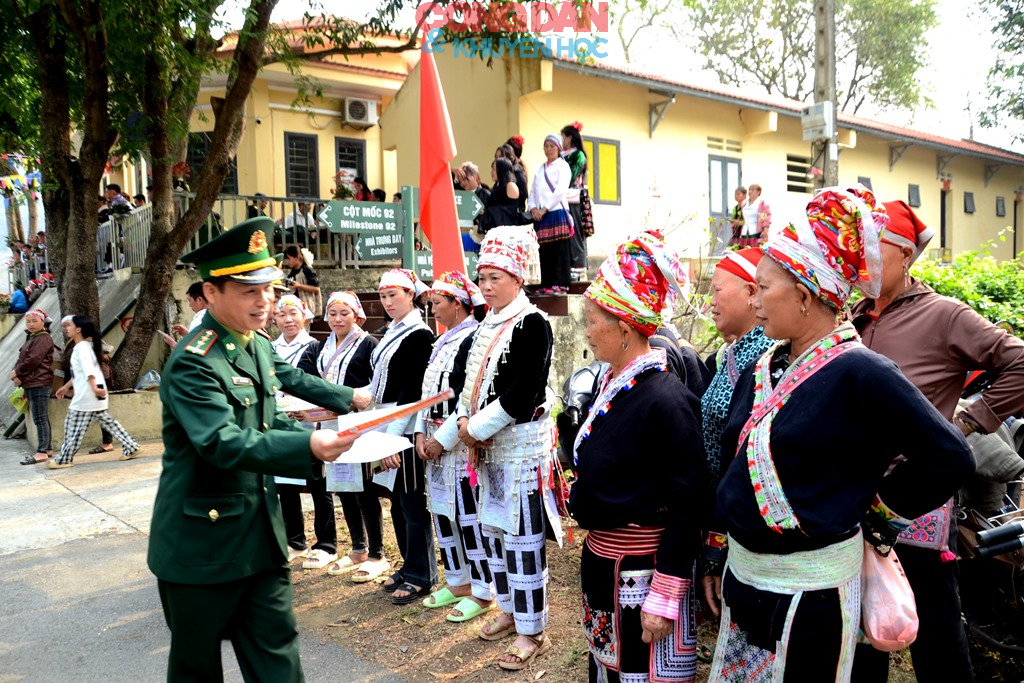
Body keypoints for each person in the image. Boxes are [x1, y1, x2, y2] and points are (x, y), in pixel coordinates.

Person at [706, 187, 975, 681]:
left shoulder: (862, 373)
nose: (755, 300)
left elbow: (950, 457)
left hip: (812, 600)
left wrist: (878, 514)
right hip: (746, 581)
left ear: (805, 296)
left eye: (764, 288)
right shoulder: (765, 364)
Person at [147, 217, 370, 682]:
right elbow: (221, 442)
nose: (265, 300)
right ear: (210, 293)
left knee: (278, 663)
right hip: (200, 549)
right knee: (197, 670)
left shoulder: (254, 344)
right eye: (249, 290)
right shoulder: (193, 363)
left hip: (260, 540)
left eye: (268, 288)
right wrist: (309, 443)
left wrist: (333, 420)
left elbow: (272, 416)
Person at [849, 200, 1024, 683]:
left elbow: (1018, 361)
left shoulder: (943, 314)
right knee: (865, 635)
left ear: (906, 254)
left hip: (917, 499)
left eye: (876, 248)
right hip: (854, 499)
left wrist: (968, 422)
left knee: (936, 637)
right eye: (860, 249)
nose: (865, 259)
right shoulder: (854, 320)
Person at [571, 235, 708, 683]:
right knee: (608, 669)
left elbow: (690, 503)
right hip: (604, 563)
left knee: (640, 673)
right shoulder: (614, 385)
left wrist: (665, 594)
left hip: (643, 576)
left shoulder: (667, 400)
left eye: (592, 322)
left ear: (625, 328)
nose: (586, 331)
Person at [432, 227, 562, 670]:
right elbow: (462, 398)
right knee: (493, 535)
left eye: (495, 277)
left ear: (518, 278)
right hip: (484, 454)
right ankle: (508, 610)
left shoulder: (533, 324)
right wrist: (443, 439)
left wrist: (469, 431)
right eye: (482, 277)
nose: (486, 286)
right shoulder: (479, 330)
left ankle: (532, 630)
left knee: (523, 541)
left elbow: (521, 393)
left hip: (521, 453)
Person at [698, 248, 775, 614]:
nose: (710, 301)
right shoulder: (731, 354)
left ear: (750, 292)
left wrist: (718, 543)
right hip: (722, 516)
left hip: (744, 525)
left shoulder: (766, 359)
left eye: (716, 291)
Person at [415, 271, 495, 623]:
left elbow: (467, 399)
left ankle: (482, 589)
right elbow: (426, 394)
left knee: (468, 517)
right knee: (443, 515)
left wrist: (440, 440)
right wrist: (420, 433)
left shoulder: (472, 340)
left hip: (457, 442)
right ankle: (458, 581)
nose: (432, 309)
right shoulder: (442, 341)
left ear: (458, 304)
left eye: (437, 303)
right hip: (433, 439)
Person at [298, 290, 390, 580]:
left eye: (344, 313)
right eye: (333, 313)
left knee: (364, 490)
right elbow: (308, 382)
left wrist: (352, 401)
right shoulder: (321, 347)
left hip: (358, 426)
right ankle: (358, 548)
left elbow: (376, 387)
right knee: (344, 488)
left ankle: (377, 553)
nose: (338, 319)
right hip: (329, 427)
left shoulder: (368, 345)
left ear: (357, 316)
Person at [369, 269, 436, 605]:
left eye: (393, 295)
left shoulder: (419, 335)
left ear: (411, 295)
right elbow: (379, 387)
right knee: (396, 500)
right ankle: (408, 566)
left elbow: (412, 392)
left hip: (405, 429)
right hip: (387, 424)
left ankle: (422, 574)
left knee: (412, 502)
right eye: (383, 296)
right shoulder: (392, 332)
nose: (387, 302)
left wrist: (392, 440)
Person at [269, 294, 341, 570]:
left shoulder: (315, 347)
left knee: (317, 484)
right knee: (285, 484)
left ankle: (326, 543)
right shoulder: (269, 347)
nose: (288, 320)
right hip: (280, 425)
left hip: (312, 424)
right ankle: (294, 540)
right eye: (282, 315)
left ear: (306, 317)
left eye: (294, 314)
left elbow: (315, 385)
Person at [48, 315, 139, 469]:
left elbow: (89, 372)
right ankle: (132, 447)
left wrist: (95, 389)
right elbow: (81, 372)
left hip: (88, 395)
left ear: (78, 329)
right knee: (109, 423)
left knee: (73, 428)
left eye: (69, 326)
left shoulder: (81, 348)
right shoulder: (84, 347)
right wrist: (67, 386)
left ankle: (64, 459)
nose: (66, 329)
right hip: (92, 394)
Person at [529, 134, 574, 295]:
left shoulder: (562, 166)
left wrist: (545, 208)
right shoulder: (540, 169)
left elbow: (560, 191)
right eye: (546, 146)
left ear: (558, 148)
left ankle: (560, 283)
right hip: (541, 216)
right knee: (544, 250)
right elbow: (533, 190)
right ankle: (546, 283)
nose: (549, 149)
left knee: (558, 249)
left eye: (552, 146)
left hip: (556, 212)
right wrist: (533, 208)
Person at [13, 308, 55, 465]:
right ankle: (47, 448)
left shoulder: (42, 338)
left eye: (34, 321)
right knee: (41, 417)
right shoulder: (33, 337)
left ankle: (42, 451)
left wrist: (17, 372)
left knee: (40, 417)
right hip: (33, 381)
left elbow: (34, 360)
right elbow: (24, 357)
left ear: (43, 322)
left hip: (39, 381)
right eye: (28, 321)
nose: (30, 324)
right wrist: (18, 374)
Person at [561, 122, 589, 282]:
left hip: (574, 199)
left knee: (576, 232)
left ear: (570, 137)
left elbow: (570, 176)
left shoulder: (578, 155)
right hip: (562, 199)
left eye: (563, 137)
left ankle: (578, 269)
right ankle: (568, 266)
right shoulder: (562, 155)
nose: (562, 140)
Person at [282, 244, 323, 318]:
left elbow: (316, 289)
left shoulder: (307, 270)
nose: (287, 262)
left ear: (297, 257)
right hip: (294, 308)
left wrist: (299, 286)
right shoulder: (292, 273)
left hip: (306, 308)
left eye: (289, 259)